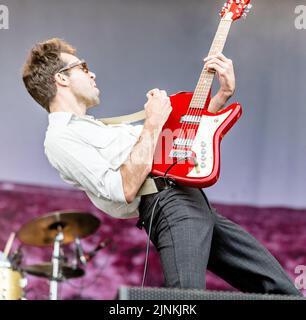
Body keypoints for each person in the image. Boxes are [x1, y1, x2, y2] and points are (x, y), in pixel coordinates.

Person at [22, 38, 301, 295]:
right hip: (167, 203)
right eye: (83, 67)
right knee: (185, 300)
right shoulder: (60, 137)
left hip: (192, 201)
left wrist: (222, 95)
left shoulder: (96, 128)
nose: (92, 73)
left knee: (282, 290)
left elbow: (177, 148)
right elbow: (123, 188)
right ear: (61, 78)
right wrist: (153, 123)